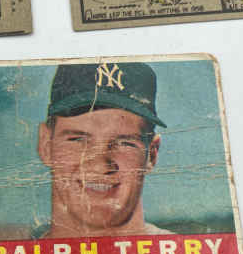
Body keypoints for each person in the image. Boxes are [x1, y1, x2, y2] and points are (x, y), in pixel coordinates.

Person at [37, 62, 172, 239]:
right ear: (46, 145)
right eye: (78, 139)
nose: (99, 166)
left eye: (125, 143)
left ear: (151, 154)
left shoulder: (184, 253)